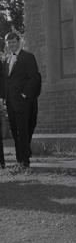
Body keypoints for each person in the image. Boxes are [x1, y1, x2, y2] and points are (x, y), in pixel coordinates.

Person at [4, 32, 41, 171]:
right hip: (10, 102)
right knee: (15, 131)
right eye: (9, 43)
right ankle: (20, 160)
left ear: (18, 42)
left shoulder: (28, 57)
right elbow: (5, 81)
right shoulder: (6, 60)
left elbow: (34, 78)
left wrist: (24, 94)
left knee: (23, 130)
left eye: (13, 42)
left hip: (24, 102)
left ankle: (25, 162)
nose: (11, 45)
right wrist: (4, 97)